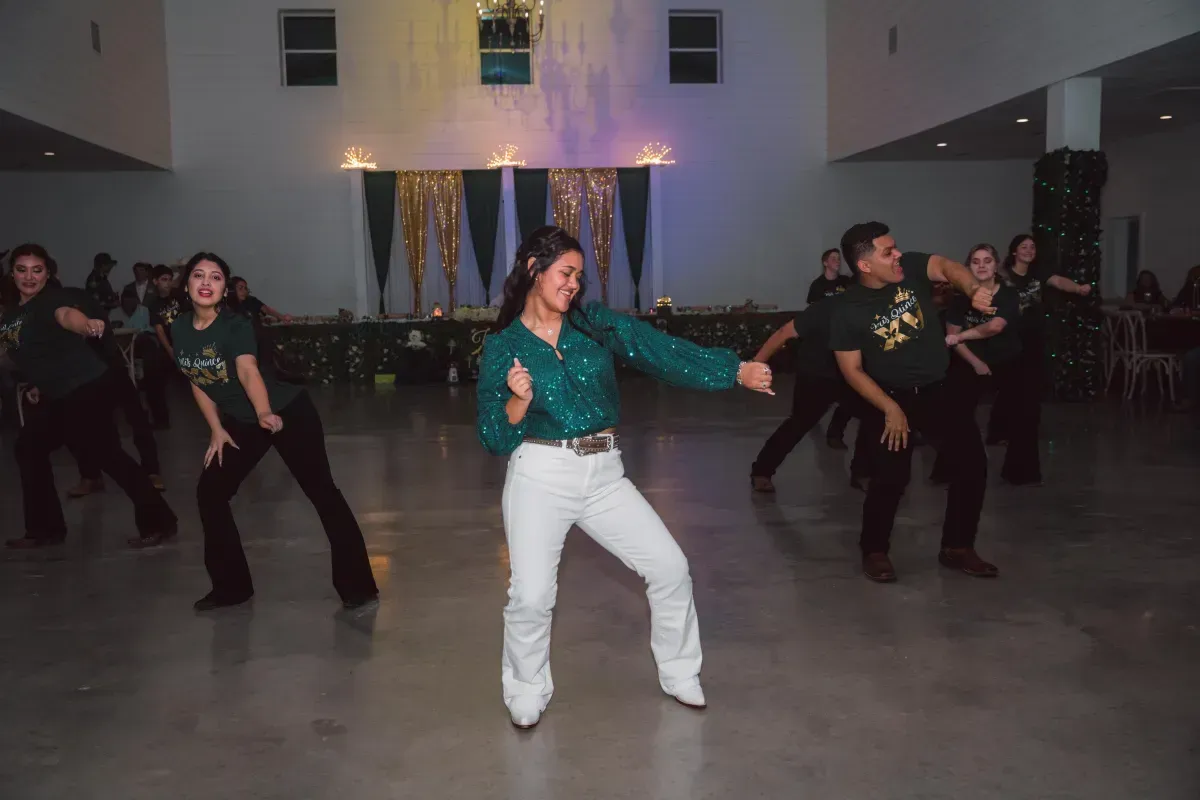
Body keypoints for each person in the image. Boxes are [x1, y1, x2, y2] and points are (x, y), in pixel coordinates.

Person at [476, 226, 773, 729]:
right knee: (531, 596)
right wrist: (519, 402)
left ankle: (680, 672)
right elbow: (493, 436)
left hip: (605, 476)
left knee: (670, 568)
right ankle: (526, 689)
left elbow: (657, 350)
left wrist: (732, 370)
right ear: (533, 270)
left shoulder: (592, 323)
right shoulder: (504, 346)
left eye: (579, 276)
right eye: (565, 273)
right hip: (540, 476)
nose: (574, 284)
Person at [173, 252, 378, 611]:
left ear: (225, 289)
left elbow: (248, 371)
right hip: (242, 421)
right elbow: (196, 380)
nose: (206, 282)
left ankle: (358, 586)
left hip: (285, 411)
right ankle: (232, 587)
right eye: (199, 275)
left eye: (216, 277)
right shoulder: (180, 329)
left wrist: (264, 411)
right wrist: (216, 429)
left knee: (322, 492)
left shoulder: (235, 326)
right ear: (186, 284)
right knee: (210, 493)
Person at [830, 222, 997, 583]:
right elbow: (852, 370)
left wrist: (973, 289)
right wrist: (890, 409)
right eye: (887, 252)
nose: (898, 254)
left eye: (895, 247)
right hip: (889, 396)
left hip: (939, 389)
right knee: (890, 478)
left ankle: (958, 547)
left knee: (972, 467)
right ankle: (874, 550)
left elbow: (948, 267)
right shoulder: (847, 309)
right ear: (865, 265)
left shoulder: (910, 269)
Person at [0, 244, 177, 549]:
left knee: (106, 453)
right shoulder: (12, 316)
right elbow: (26, 353)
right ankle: (45, 529)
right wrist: (38, 383)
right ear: (12, 273)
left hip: (88, 386)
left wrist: (87, 324)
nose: (29, 277)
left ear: (48, 274)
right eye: (22, 270)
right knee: (29, 447)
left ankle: (160, 522)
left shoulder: (52, 300)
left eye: (37, 270)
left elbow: (68, 317)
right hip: (60, 392)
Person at [929, 244, 1037, 485]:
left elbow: (994, 327)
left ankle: (1021, 473)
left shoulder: (1008, 294)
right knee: (955, 411)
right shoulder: (960, 298)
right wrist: (976, 362)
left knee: (1026, 413)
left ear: (996, 266)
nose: (981, 266)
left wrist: (962, 336)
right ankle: (951, 470)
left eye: (987, 261)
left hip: (1008, 359)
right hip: (971, 358)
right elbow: (951, 337)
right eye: (975, 262)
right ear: (968, 267)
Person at [748, 295, 871, 493]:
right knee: (798, 423)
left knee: (874, 417)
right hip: (817, 374)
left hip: (853, 375)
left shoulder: (879, 307)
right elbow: (784, 332)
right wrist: (756, 362)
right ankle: (762, 471)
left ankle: (862, 473)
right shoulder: (827, 307)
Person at [53, 282, 165, 496]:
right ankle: (91, 476)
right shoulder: (36, 310)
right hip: (79, 377)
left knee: (137, 418)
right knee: (82, 427)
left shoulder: (76, 297)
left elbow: (97, 331)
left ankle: (152, 471)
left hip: (109, 367)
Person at [987, 234, 1091, 446]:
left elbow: (1058, 281)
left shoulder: (1038, 273)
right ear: (1014, 251)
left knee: (1032, 385)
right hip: (1010, 336)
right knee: (1010, 386)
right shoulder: (1003, 276)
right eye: (1024, 247)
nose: (1029, 250)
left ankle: (1027, 429)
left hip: (1034, 337)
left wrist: (1078, 288)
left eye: (1032, 247)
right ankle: (998, 433)